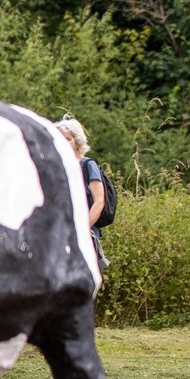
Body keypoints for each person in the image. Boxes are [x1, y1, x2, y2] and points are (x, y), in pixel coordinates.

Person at [55, 114, 109, 271]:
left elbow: (99, 201)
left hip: (85, 233)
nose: (64, 142)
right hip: (63, 232)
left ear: (77, 141)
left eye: (68, 138)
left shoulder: (88, 165)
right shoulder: (59, 166)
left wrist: (82, 229)